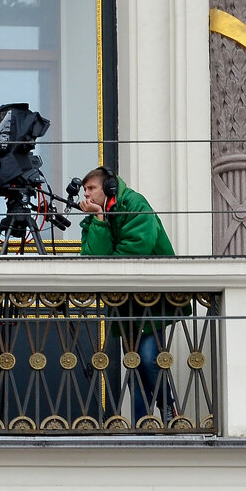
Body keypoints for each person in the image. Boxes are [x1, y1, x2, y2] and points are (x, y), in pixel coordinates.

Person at [79, 166, 179, 425]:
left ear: (109, 188)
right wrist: (99, 218)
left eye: (92, 189)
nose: (87, 195)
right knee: (133, 363)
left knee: (148, 358)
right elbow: (92, 258)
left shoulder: (135, 204)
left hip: (151, 297)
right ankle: (141, 422)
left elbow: (136, 252)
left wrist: (108, 259)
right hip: (125, 301)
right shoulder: (94, 216)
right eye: (85, 190)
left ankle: (169, 411)